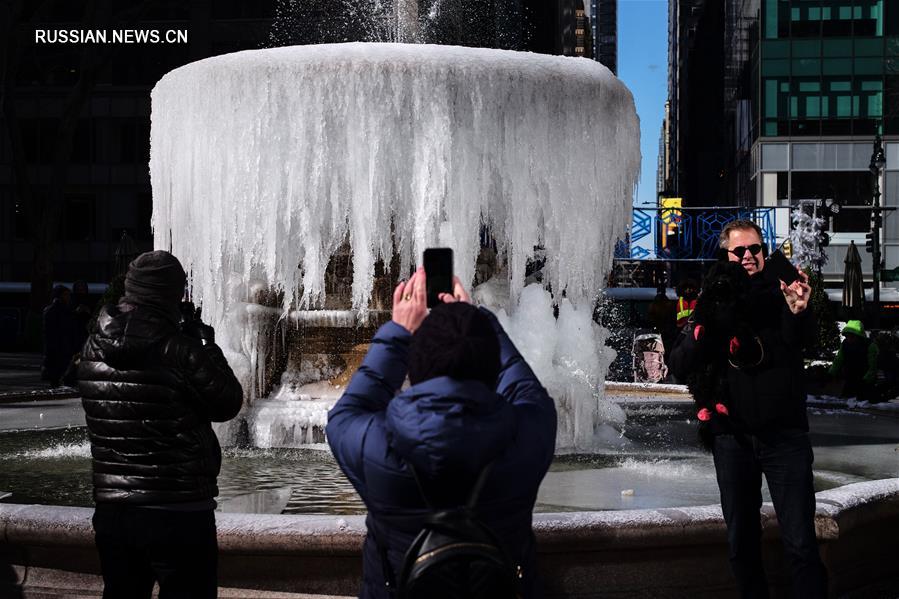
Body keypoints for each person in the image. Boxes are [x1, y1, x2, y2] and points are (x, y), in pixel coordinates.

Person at [326, 267, 557, 599]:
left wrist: (399, 331)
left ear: (414, 366)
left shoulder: (379, 447)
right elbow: (524, 388)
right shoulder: (526, 435)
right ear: (490, 366)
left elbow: (346, 413)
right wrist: (477, 323)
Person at [669, 220, 827, 598]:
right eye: (738, 251)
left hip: (784, 436)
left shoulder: (784, 293)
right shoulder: (713, 301)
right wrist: (703, 321)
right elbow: (679, 363)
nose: (748, 257)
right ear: (725, 255)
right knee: (741, 544)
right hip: (732, 438)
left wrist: (800, 310)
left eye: (755, 249)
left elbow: (808, 343)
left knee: (801, 543)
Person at [78, 250, 243, 599]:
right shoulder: (180, 349)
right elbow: (227, 403)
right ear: (173, 294)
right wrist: (208, 347)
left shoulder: (94, 348)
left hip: (113, 509)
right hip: (178, 509)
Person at [828, 320, 878, 402]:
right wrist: (830, 373)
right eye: (847, 336)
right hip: (850, 379)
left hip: (865, 381)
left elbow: (872, 366)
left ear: (859, 336)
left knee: (863, 402)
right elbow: (838, 360)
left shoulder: (869, 346)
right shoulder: (845, 345)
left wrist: (865, 380)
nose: (848, 339)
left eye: (851, 336)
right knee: (846, 401)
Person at [41, 284, 73, 387]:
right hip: (57, 347)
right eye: (65, 295)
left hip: (61, 346)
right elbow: (51, 332)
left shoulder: (64, 310)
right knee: (57, 375)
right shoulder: (55, 310)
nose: (68, 297)